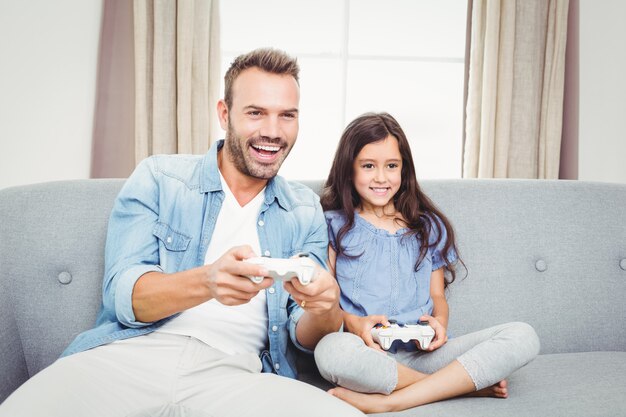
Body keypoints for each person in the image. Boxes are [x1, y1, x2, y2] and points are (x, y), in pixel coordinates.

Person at [0, 48, 363, 417]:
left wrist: (326, 306)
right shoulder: (160, 178)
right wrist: (208, 282)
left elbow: (305, 337)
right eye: (256, 113)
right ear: (225, 114)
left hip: (236, 376)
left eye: (287, 116)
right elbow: (124, 296)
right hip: (131, 358)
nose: (272, 131)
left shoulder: (303, 209)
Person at [313, 112, 540, 414]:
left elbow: (436, 296)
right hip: (365, 351)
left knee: (523, 335)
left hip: (422, 353)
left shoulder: (428, 226)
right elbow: (326, 301)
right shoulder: (333, 225)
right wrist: (354, 324)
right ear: (348, 170)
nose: (381, 177)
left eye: (391, 166)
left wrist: (440, 324)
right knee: (330, 350)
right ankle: (458, 387)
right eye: (368, 166)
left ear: (403, 169)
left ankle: (395, 400)